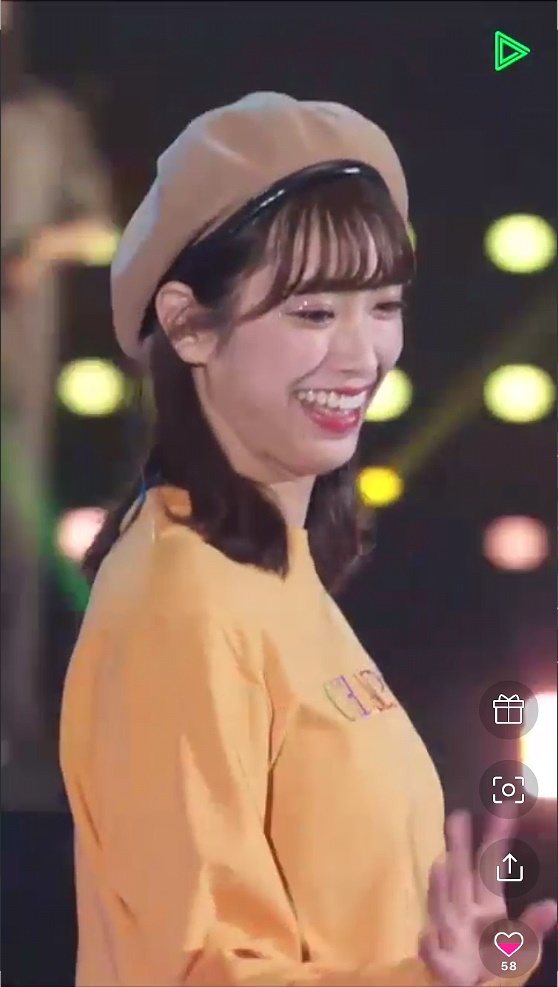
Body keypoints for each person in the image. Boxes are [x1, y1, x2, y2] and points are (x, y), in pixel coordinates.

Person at [59, 92, 556, 987]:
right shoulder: (179, 600)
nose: (363, 356)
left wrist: (472, 966)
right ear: (189, 323)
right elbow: (198, 968)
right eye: (314, 313)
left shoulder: (274, 575)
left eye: (383, 305)